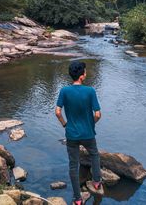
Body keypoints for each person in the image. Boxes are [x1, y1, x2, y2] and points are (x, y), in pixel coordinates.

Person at [55, 60, 103, 205]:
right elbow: (98, 114)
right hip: (88, 134)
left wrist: (65, 125)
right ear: (82, 76)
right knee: (94, 155)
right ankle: (96, 182)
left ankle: (77, 199)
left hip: (71, 135)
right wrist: (90, 123)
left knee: (73, 165)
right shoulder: (90, 91)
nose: (86, 73)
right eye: (85, 71)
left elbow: (57, 112)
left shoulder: (64, 91)